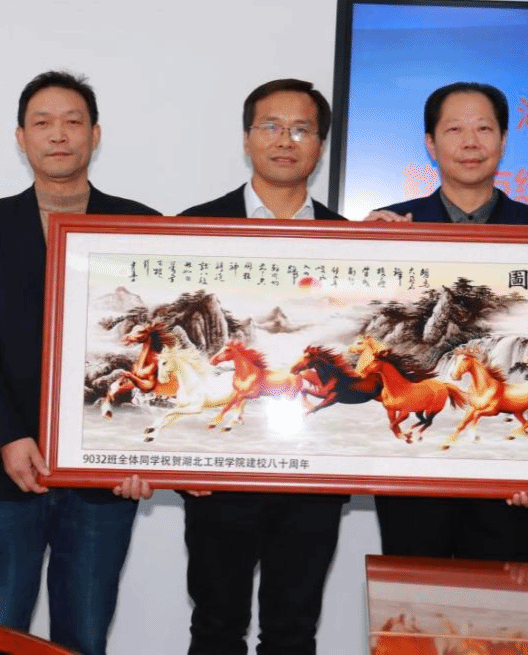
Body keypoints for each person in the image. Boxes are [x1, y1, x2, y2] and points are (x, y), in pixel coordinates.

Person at [0, 71, 160, 655]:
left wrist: (143, 454)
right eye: (42, 123)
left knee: (83, 640)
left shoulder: (141, 224)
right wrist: (5, 436)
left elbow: (155, 344)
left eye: (72, 122)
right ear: (21, 137)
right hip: (3, 466)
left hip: (103, 477)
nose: (58, 134)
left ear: (95, 135)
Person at [179, 78, 347, 655]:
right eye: (270, 126)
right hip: (216, 475)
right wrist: (176, 455)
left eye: (301, 129)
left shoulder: (352, 242)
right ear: (247, 137)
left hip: (314, 475)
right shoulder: (191, 228)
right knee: (215, 628)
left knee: (293, 633)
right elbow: (185, 351)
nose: (284, 140)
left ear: (320, 145)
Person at [365, 81, 528, 561]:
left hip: (510, 478)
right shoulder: (392, 229)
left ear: (503, 141)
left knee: (501, 606)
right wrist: (362, 253)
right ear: (431, 144)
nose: (470, 143)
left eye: (483, 129)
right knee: (410, 603)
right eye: (454, 130)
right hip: (414, 474)